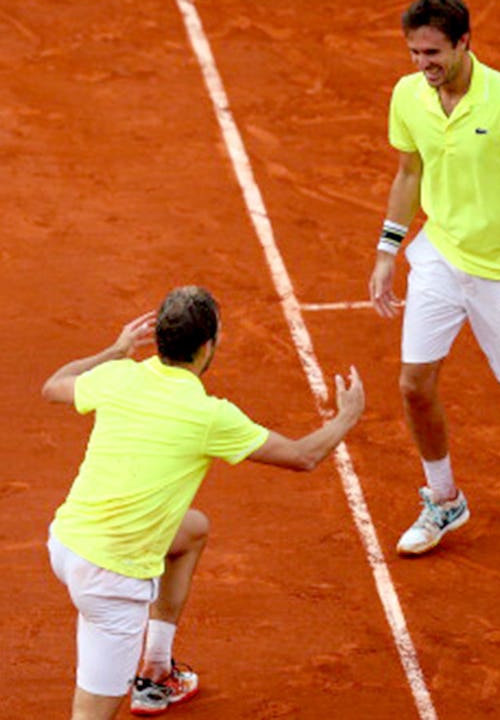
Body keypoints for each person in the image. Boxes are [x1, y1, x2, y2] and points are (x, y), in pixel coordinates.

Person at [42, 285, 365, 719]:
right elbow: (303, 456)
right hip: (111, 577)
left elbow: (53, 386)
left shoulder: (120, 375)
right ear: (208, 346)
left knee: (191, 530)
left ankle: (157, 667)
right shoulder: (209, 415)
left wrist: (115, 351)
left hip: (66, 543)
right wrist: (346, 417)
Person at [368, 0, 500, 556]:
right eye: (414, 52)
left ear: (463, 43)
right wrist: (387, 250)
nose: (422, 64)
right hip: (441, 255)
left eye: (433, 53)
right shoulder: (409, 95)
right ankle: (444, 498)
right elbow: (409, 173)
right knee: (413, 384)